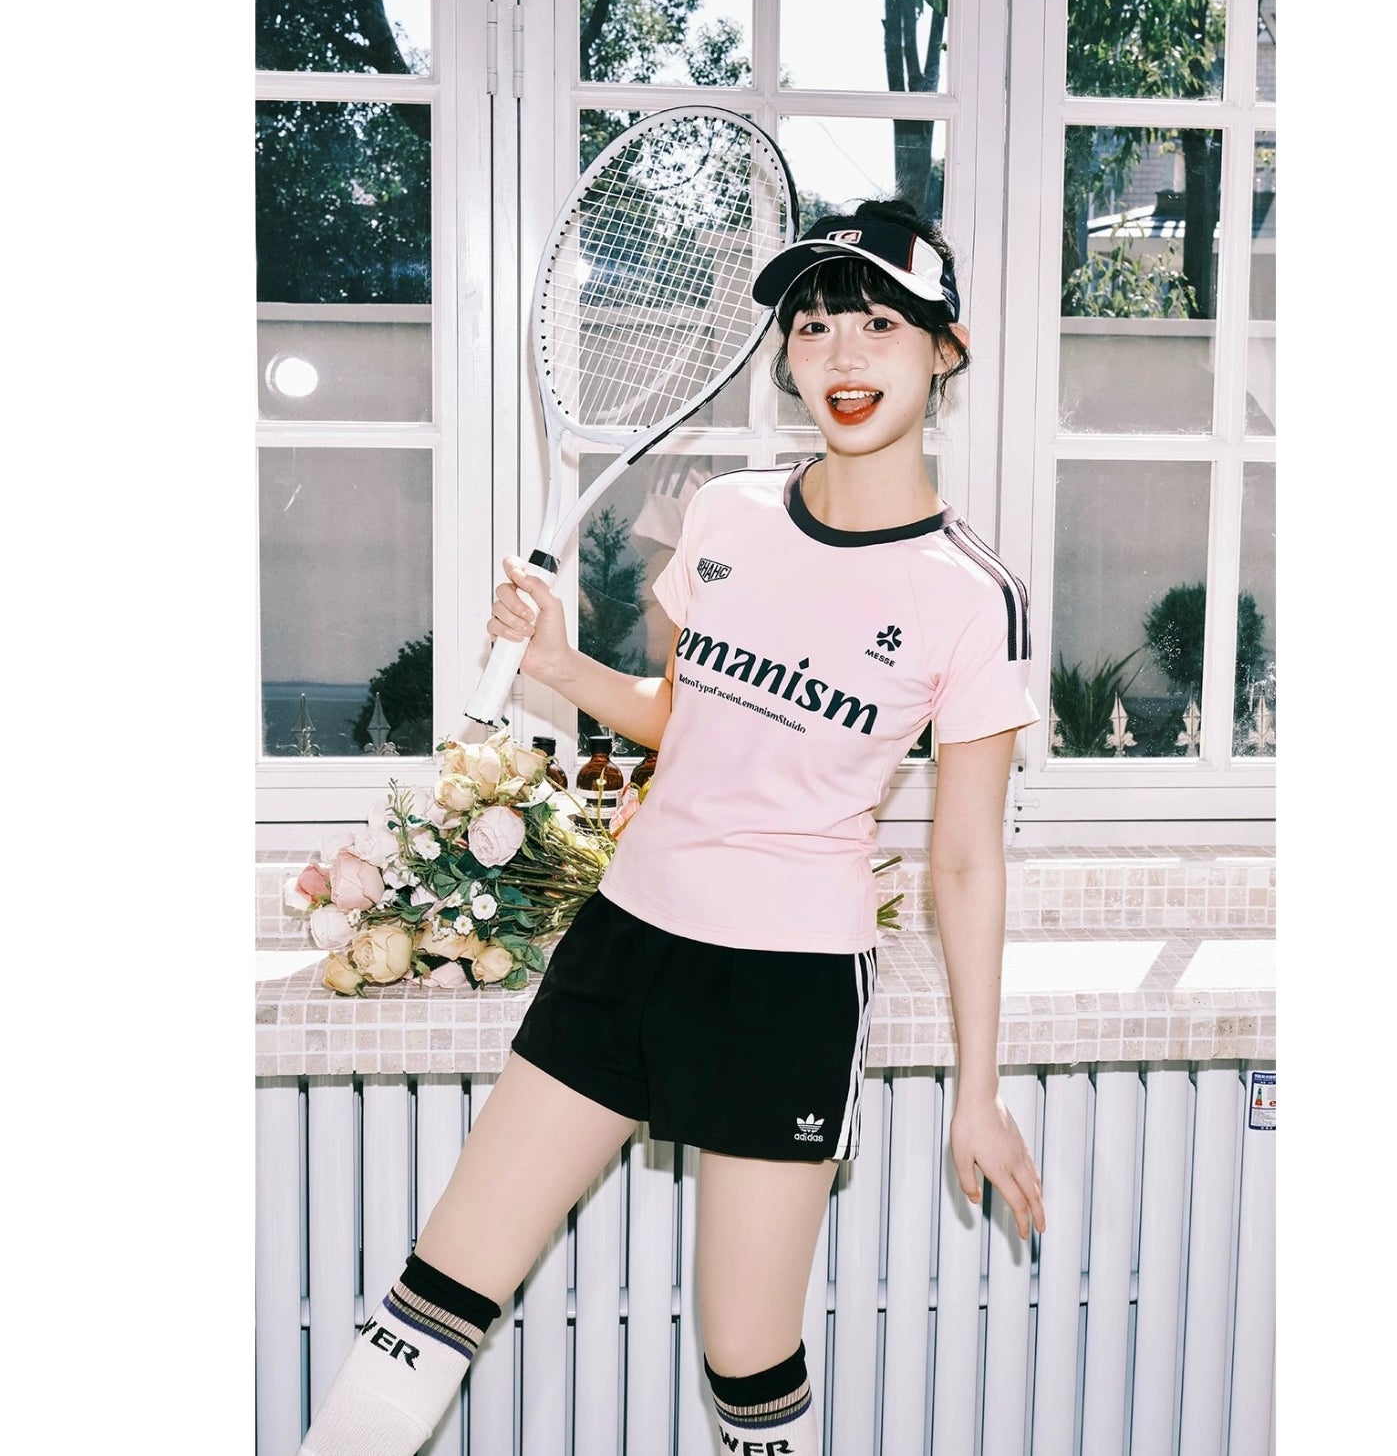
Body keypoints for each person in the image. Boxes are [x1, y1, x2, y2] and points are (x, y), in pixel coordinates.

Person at [296, 197, 1048, 1456]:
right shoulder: (730, 513)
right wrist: (560, 665)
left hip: (786, 986)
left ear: (945, 350)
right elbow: (683, 719)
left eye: (878, 324)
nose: (842, 355)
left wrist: (980, 1090)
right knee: (434, 1298)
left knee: (745, 1363)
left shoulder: (974, 595)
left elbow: (965, 861)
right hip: (626, 941)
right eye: (812, 326)